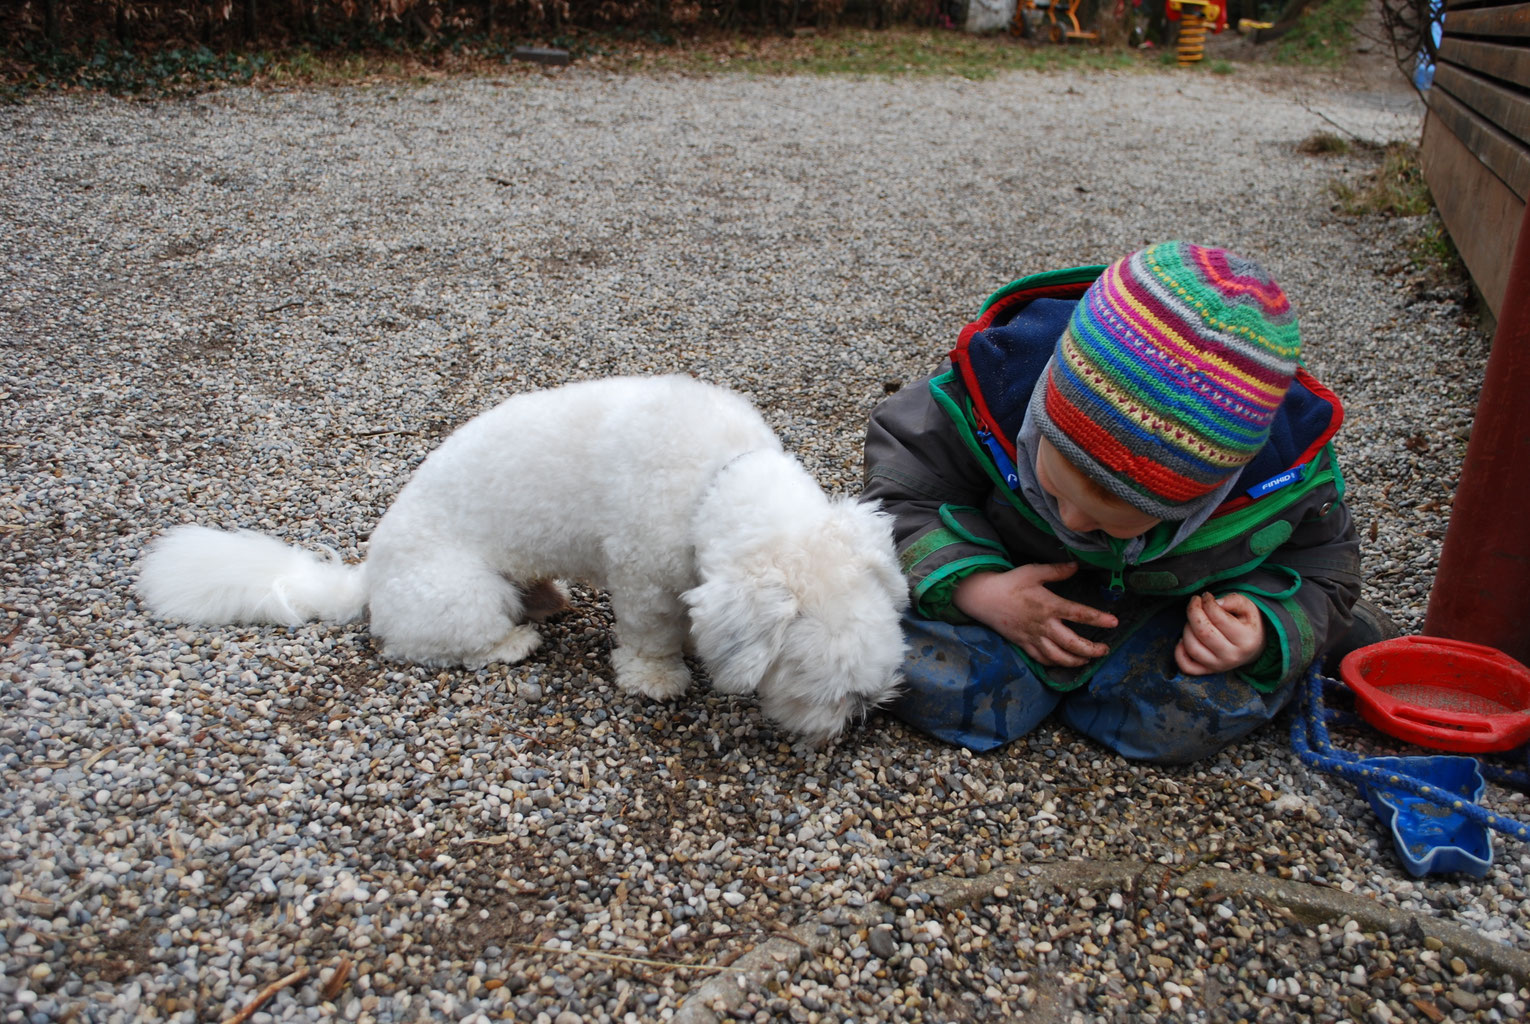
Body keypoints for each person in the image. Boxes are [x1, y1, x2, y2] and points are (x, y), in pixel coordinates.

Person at [863, 241, 1380, 764]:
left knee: (1179, 720)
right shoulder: (989, 395)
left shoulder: (1281, 483)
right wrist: (977, 588)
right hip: (1006, 579)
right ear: (1043, 412)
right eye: (1056, 488)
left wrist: (1265, 629)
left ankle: (1337, 642)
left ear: (1205, 494)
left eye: (1116, 518)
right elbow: (902, 492)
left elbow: (1325, 565)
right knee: (916, 674)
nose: (1071, 520)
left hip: (1165, 618)